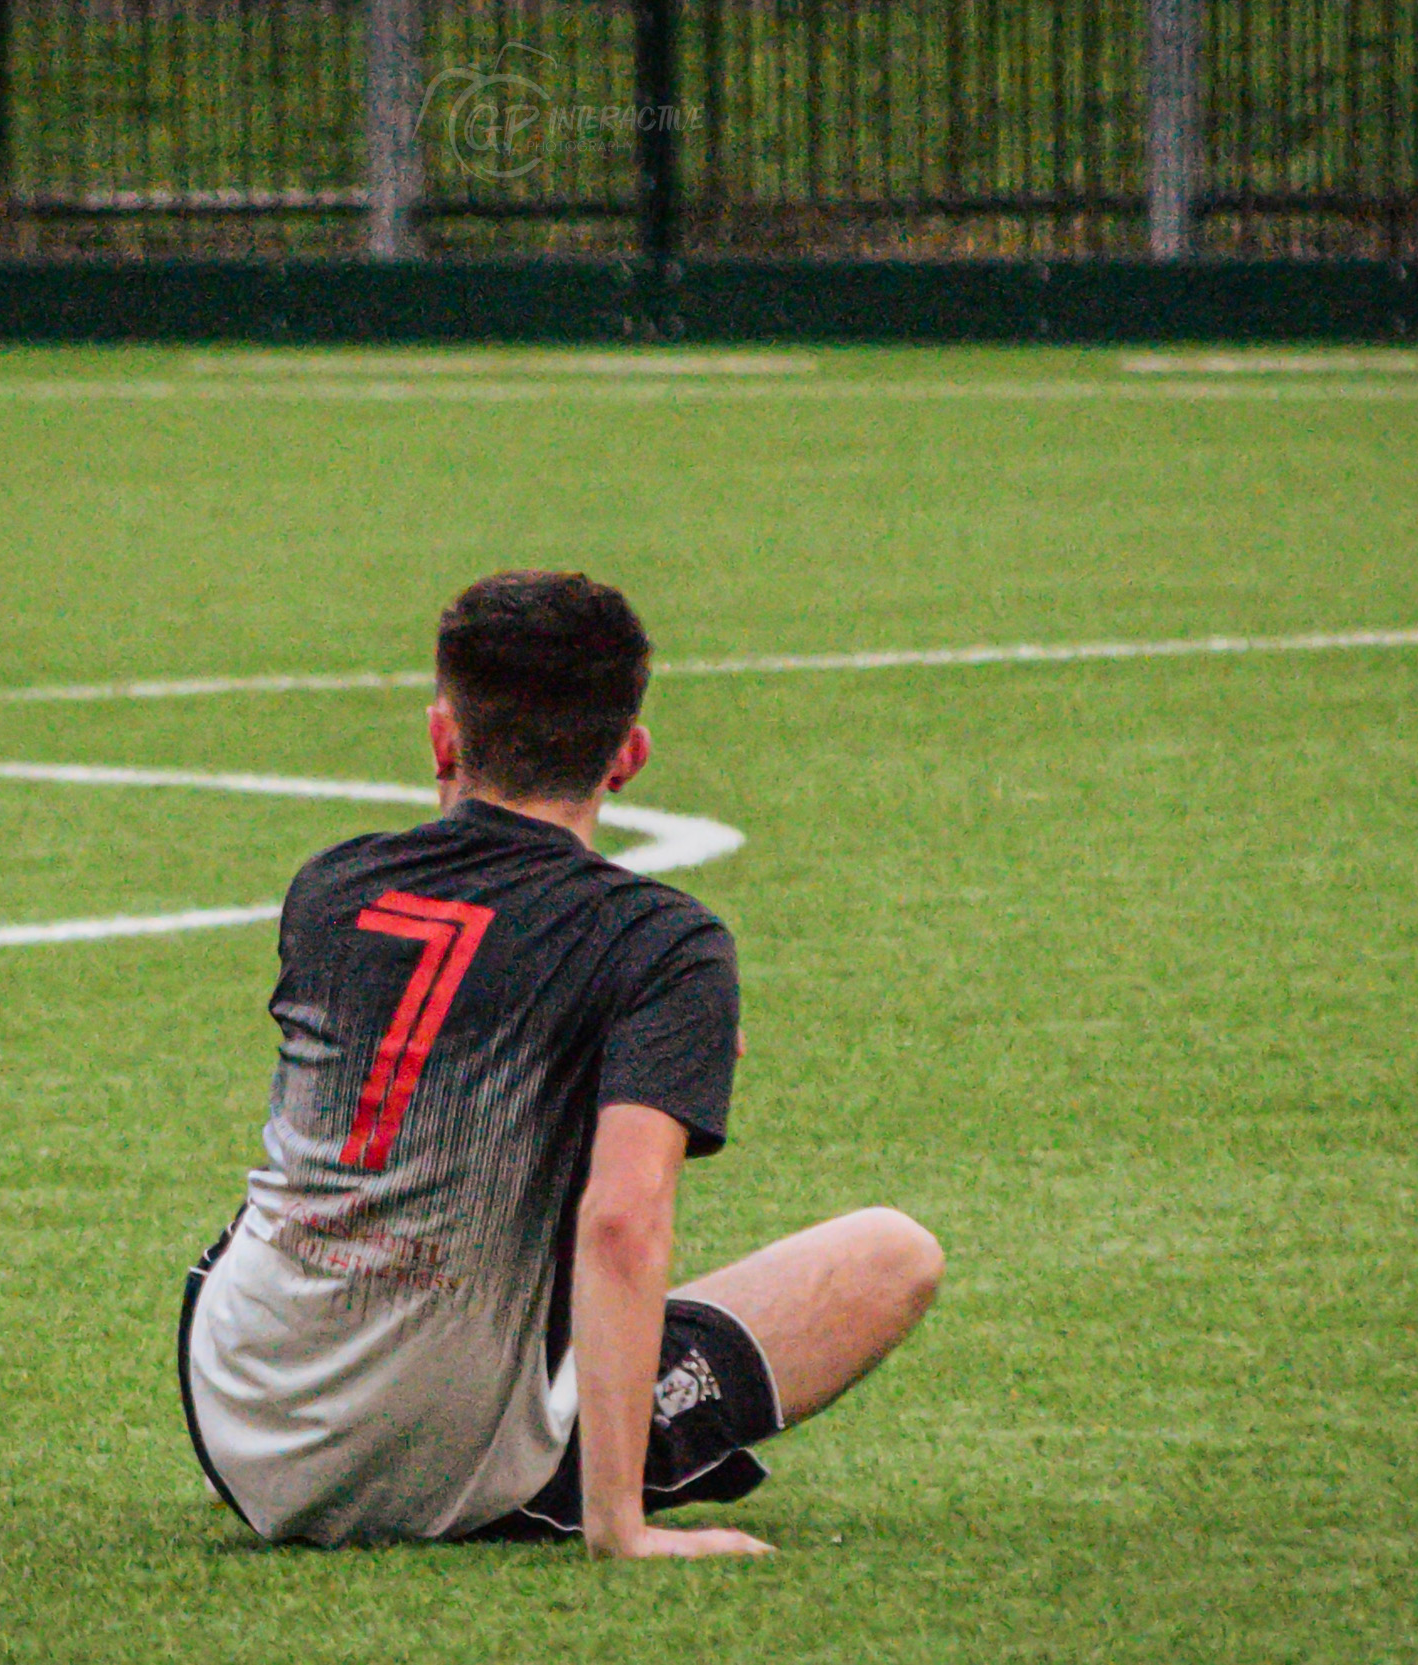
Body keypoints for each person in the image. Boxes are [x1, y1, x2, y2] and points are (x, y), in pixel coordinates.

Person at [180, 570, 942, 1558]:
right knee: (892, 1254)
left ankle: (309, 1440)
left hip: (239, 1420)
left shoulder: (330, 886)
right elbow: (622, 1222)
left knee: (306, 1191)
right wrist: (620, 1531)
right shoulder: (658, 942)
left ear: (441, 737)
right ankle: (583, 1485)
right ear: (627, 757)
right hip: (444, 1473)